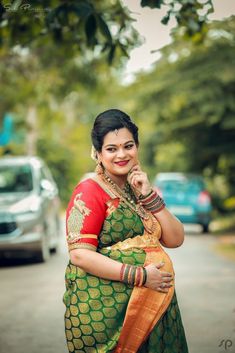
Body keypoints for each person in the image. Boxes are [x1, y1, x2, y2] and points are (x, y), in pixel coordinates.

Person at [63, 109, 188, 353]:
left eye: (128, 146)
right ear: (97, 153)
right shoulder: (89, 192)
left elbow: (175, 238)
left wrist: (148, 195)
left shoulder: (137, 189)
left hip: (154, 307)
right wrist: (141, 276)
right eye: (111, 149)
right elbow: (79, 255)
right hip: (109, 316)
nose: (122, 155)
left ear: (137, 147)